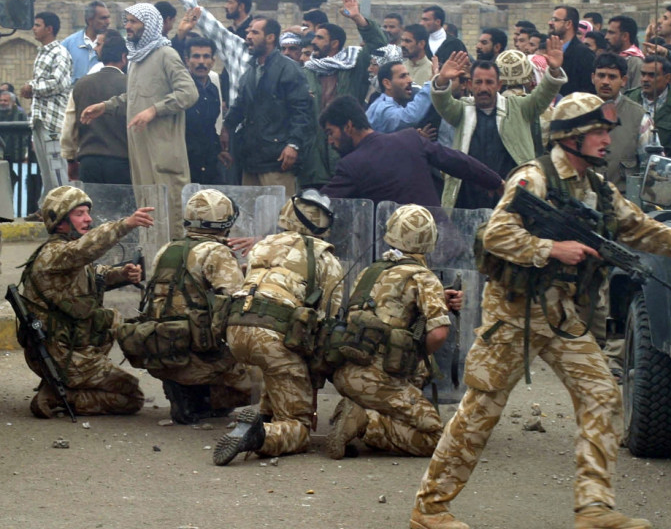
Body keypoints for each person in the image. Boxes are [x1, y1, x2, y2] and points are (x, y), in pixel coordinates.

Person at [410, 91, 671, 529]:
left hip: (561, 316)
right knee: (480, 410)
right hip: (515, 317)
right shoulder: (534, 179)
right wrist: (549, 248)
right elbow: (497, 233)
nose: (606, 140)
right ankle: (431, 506)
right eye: (597, 131)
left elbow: (633, 225)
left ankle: (594, 509)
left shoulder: (595, 188)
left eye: (606, 131)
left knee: (602, 393)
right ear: (572, 138)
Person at [213, 191, 343, 465]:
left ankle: (263, 415)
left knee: (275, 365)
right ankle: (262, 435)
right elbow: (327, 320)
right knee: (298, 425)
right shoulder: (324, 258)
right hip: (273, 337)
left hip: (235, 327)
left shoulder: (263, 246)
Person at [18, 185, 155, 417]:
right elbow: (85, 250)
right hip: (61, 355)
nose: (88, 219)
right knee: (132, 396)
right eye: (79, 213)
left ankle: (65, 384)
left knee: (110, 319)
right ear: (59, 220)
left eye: (87, 213)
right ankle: (62, 396)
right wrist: (125, 224)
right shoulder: (54, 254)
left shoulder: (66, 254)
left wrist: (122, 274)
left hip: (67, 348)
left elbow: (94, 272)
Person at [326, 204, 450, 459]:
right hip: (378, 378)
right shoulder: (424, 277)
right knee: (437, 438)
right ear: (430, 240)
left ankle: (356, 406)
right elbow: (439, 334)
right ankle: (366, 421)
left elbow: (386, 309)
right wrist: (415, 357)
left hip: (344, 371)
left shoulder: (368, 271)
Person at [133, 189, 259, 424]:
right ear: (226, 221)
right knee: (261, 379)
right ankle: (201, 397)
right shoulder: (217, 252)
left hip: (160, 346)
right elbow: (239, 301)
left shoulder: (167, 249)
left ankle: (187, 388)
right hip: (198, 350)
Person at [80, 3, 198, 240]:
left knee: (170, 215)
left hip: (163, 153)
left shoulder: (166, 55)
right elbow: (134, 96)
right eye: (127, 21)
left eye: (134, 21)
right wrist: (106, 106)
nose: (128, 26)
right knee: (148, 216)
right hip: (140, 152)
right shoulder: (136, 58)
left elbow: (189, 93)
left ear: (150, 24)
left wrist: (154, 110)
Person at [432, 39, 566, 209]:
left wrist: (553, 70)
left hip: (511, 197)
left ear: (499, 84)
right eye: (478, 82)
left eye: (489, 82)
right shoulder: (462, 111)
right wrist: (442, 80)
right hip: (468, 199)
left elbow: (543, 95)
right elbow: (442, 102)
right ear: (470, 85)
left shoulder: (518, 107)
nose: (483, 88)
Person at [319, 95, 503, 207]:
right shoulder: (410, 138)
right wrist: (496, 182)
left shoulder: (350, 166)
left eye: (330, 132)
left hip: (402, 261)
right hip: (446, 246)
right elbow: (457, 161)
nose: (329, 141)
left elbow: (320, 205)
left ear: (349, 126)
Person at [300, 0, 387, 189]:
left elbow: (379, 45)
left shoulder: (354, 65)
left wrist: (359, 19)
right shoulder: (308, 70)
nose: (313, 41)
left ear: (335, 43)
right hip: (313, 160)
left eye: (320, 38)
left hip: (347, 154)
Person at [221, 17, 313, 195]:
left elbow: (301, 111)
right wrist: (226, 126)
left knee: (279, 215)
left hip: (277, 159)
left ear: (270, 37)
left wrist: (293, 145)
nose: (248, 36)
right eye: (248, 32)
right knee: (251, 215)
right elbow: (240, 106)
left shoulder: (289, 69)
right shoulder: (250, 71)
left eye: (254, 32)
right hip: (252, 159)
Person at [19, 12, 73, 214]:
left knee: (57, 168)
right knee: (46, 170)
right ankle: (49, 210)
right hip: (40, 119)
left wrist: (32, 87)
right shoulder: (43, 52)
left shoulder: (59, 52)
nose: (34, 28)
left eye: (37, 25)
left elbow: (59, 83)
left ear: (49, 29)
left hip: (53, 121)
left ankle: (65, 211)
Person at [61, 30, 130, 185]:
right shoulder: (130, 84)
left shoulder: (81, 84)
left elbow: (69, 127)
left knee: (93, 207)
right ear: (124, 57)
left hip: (88, 161)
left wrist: (71, 159)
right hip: (122, 161)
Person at [591, 53, 652, 194]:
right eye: (601, 76)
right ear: (592, 77)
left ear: (623, 80)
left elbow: (650, 168)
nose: (605, 82)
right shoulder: (578, 110)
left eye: (612, 77)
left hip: (624, 204)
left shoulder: (639, 117)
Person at [182, 36, 224, 184]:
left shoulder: (212, 90)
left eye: (206, 56)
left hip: (209, 163)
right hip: (186, 163)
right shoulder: (181, 89)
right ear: (187, 60)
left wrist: (219, 151)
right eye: (196, 56)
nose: (201, 61)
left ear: (213, 61)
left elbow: (210, 125)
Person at [625, 55, 671, 158]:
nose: (645, 79)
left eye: (652, 75)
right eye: (643, 74)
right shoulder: (629, 98)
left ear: (667, 78)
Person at [366, 61, 433, 133]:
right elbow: (409, 117)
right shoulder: (382, 108)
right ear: (387, 83)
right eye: (403, 76)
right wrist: (432, 83)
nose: (410, 80)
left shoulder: (390, 103)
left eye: (408, 75)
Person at [549, 5, 595, 95]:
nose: (550, 23)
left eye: (555, 20)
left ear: (568, 24)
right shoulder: (547, 49)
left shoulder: (584, 54)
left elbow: (588, 90)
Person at [61, 1, 111, 83]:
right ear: (90, 20)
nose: (108, 22)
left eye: (108, 17)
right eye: (103, 18)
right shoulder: (68, 44)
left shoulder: (113, 44)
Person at [605, 15, 644, 89]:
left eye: (611, 33)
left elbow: (636, 94)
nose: (606, 37)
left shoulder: (635, 62)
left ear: (625, 36)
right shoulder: (608, 57)